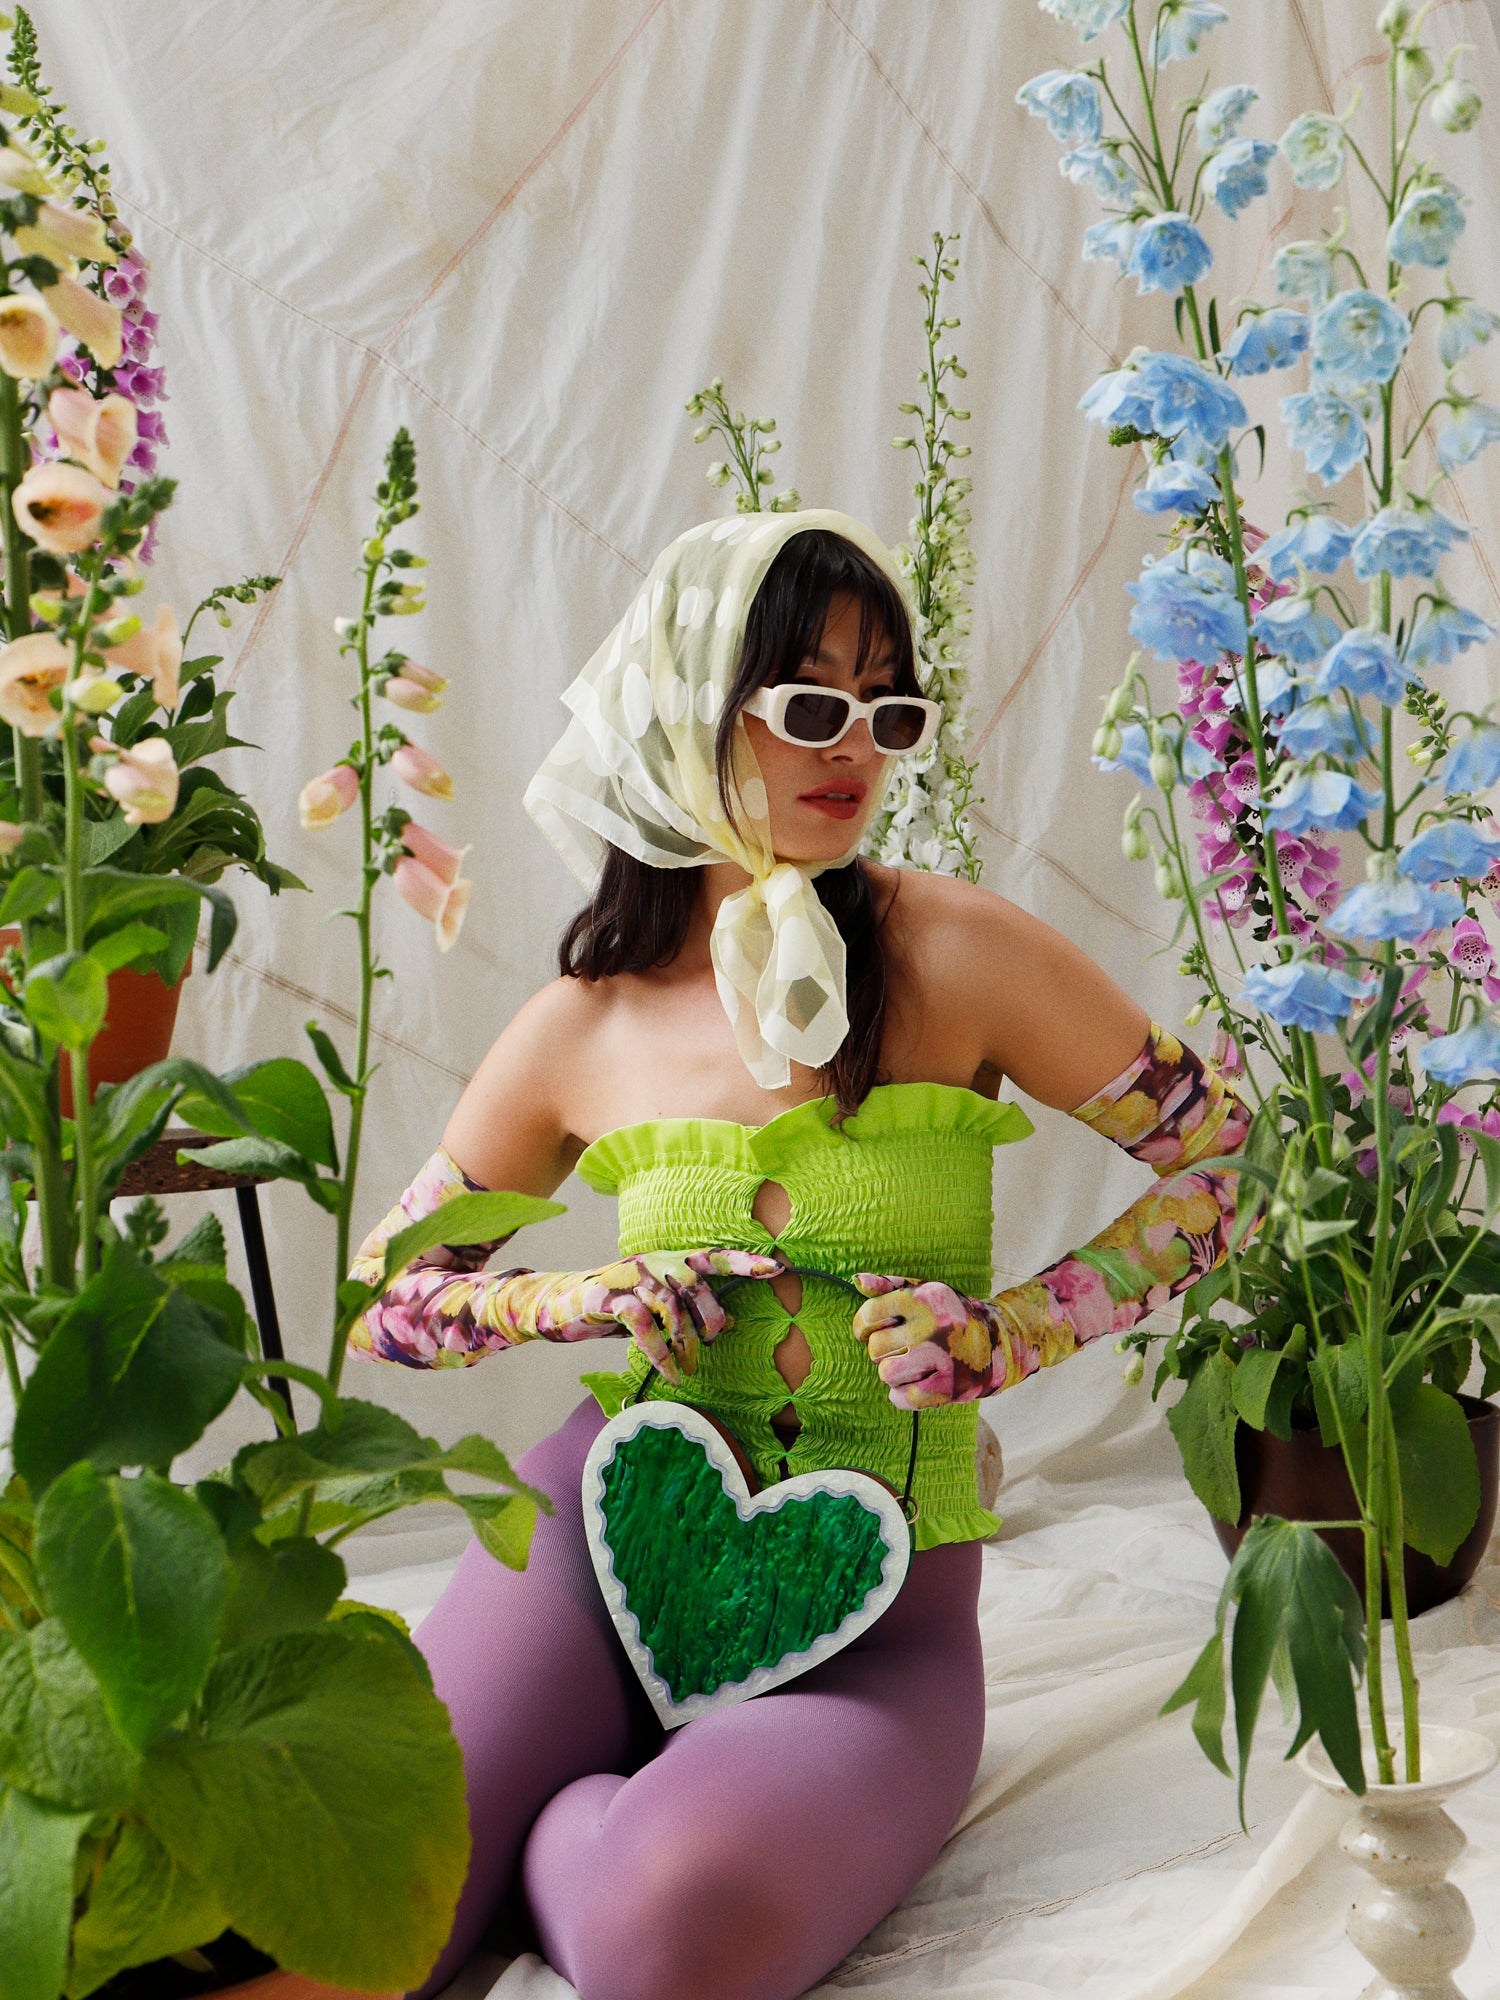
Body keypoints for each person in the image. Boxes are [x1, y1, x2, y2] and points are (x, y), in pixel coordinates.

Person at [347, 510, 1247, 2000]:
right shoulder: (583, 1022)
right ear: (686, 705)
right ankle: (564, 1772)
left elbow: (1225, 1161)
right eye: (810, 705)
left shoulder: (959, 950)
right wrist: (567, 1298)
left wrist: (1009, 1334)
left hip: (876, 1612)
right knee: (374, 1905)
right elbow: (381, 1294)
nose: (858, 751)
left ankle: (571, 1823)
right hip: (596, 1541)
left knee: (667, 1937)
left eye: (889, 711)